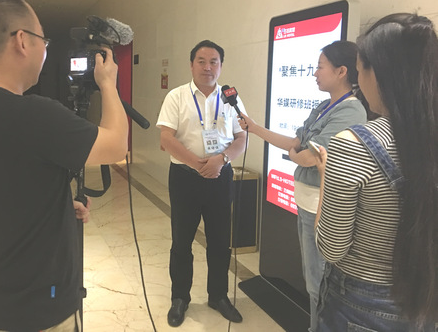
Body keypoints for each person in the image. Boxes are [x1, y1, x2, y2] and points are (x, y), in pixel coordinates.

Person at [0, 0, 128, 332]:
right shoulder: (36, 115)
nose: (45, 49)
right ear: (22, 40)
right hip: (43, 311)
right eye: (43, 40)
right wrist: (109, 83)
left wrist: (55, 206)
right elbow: (116, 146)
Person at [314, 13, 438, 331]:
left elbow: (331, 247)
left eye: (360, 71)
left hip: (361, 305)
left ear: (376, 73)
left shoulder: (353, 144)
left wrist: (327, 176)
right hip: (426, 301)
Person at [238, 40, 367, 332]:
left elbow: (311, 156)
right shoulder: (324, 106)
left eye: (320, 67)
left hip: (320, 208)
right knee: (313, 280)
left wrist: (297, 155)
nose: (315, 73)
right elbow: (295, 144)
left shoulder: (351, 111)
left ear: (342, 71)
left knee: (318, 282)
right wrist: (255, 128)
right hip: (306, 204)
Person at [157, 40, 247, 327]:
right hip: (185, 178)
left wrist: (220, 160)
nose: (208, 67)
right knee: (181, 241)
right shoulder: (176, 96)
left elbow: (242, 137)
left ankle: (218, 296)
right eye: (201, 61)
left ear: (221, 65)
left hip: (221, 177)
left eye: (214, 62)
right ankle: (179, 298)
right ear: (191, 64)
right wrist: (199, 165)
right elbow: (166, 138)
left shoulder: (231, 98)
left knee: (220, 241)